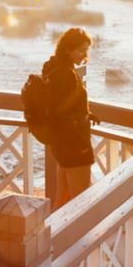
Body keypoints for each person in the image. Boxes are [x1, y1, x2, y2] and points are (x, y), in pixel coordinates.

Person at [42, 27, 95, 208]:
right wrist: (81, 144)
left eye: (86, 50)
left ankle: (54, 235)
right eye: (81, 50)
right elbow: (64, 112)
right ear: (67, 49)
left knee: (63, 197)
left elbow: (63, 106)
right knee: (80, 202)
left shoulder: (54, 67)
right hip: (75, 145)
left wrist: (87, 114)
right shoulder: (66, 75)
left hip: (61, 144)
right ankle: (77, 237)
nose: (84, 55)